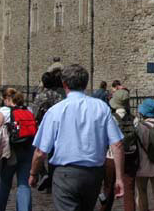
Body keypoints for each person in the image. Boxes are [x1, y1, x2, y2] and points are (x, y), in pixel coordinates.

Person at [29, 64, 125, 211]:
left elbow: (40, 152)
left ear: (64, 84)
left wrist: (33, 174)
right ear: (85, 84)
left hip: (65, 175)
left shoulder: (55, 111)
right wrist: (118, 178)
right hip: (93, 174)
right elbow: (117, 144)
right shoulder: (101, 107)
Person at [0, 87, 34, 211]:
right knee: (24, 184)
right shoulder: (28, 110)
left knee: (5, 183)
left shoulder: (3, 111)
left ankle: (0, 208)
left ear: (7, 99)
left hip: (10, 152)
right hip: (27, 149)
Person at [99, 89, 136, 211]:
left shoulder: (111, 118)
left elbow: (103, 138)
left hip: (111, 157)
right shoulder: (134, 119)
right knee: (129, 190)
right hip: (130, 157)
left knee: (108, 189)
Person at [31, 71, 64, 193]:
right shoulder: (59, 96)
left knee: (38, 152)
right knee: (53, 155)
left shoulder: (41, 96)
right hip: (58, 128)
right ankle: (52, 179)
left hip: (43, 128)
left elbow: (34, 114)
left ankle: (43, 173)